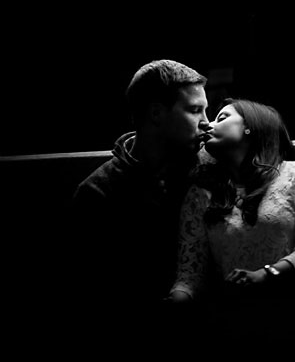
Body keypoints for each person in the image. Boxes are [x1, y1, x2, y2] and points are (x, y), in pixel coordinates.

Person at [168, 98, 295, 314]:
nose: (208, 124)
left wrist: (265, 275)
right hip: (239, 307)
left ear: (249, 127)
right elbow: (190, 274)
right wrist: (176, 299)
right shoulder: (201, 193)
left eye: (222, 118)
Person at [71, 59, 211, 322]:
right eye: (195, 110)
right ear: (156, 113)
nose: (207, 122)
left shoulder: (208, 172)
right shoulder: (98, 193)